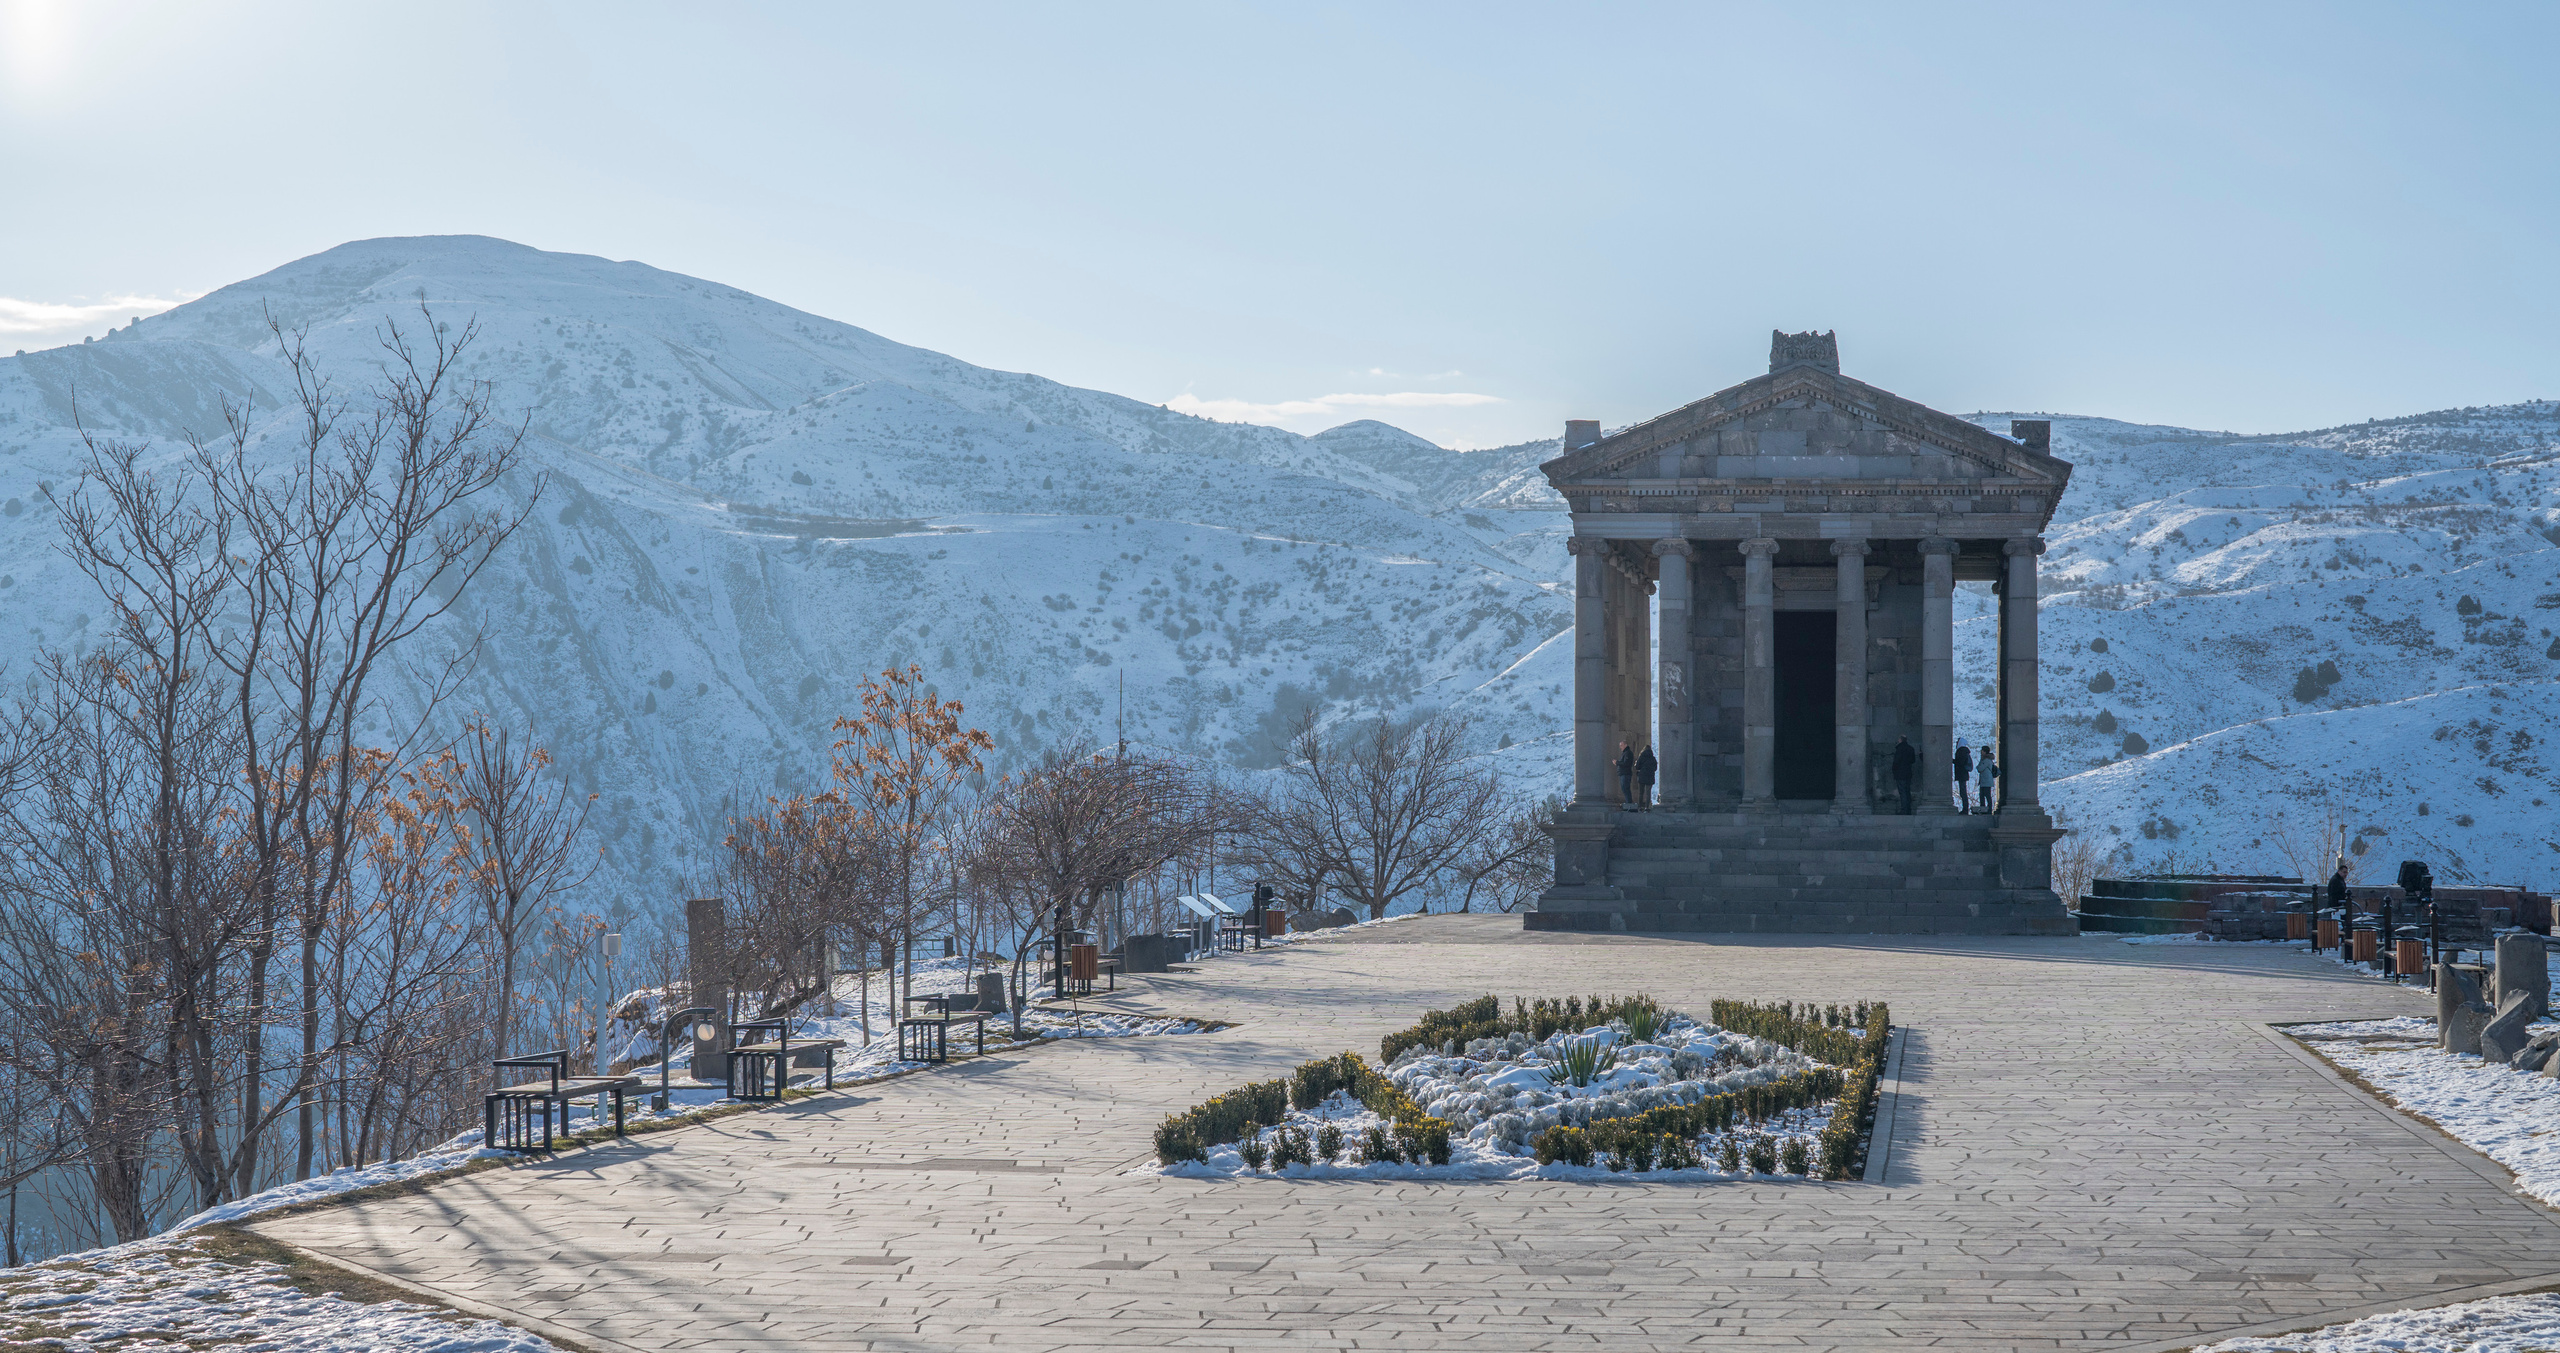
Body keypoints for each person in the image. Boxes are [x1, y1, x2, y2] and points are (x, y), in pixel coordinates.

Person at [1890, 735, 1916, 815]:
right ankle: (1908, 810)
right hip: (1908, 773)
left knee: (1902, 792)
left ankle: (1904, 810)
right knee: (1907, 791)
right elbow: (1913, 760)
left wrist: (1894, 770)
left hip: (1900, 773)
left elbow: (1896, 761)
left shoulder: (1899, 748)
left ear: (1900, 740)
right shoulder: (1911, 748)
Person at [1953, 739, 1975, 814]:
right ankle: (1965, 809)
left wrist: (1953, 761)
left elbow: (1960, 762)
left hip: (1961, 774)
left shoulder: (1961, 751)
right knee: (1963, 792)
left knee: (1963, 793)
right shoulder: (1964, 751)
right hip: (1963, 774)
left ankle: (1965, 809)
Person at [1976, 748, 2000, 814]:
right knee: (1984, 796)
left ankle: (1987, 810)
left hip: (1986, 781)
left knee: (1985, 796)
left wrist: (1981, 761)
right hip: (1985, 781)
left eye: (1982, 751)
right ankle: (1985, 809)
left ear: (1985, 752)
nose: (1981, 752)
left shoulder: (1986, 760)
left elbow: (1979, 768)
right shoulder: (1986, 760)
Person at [1634, 744, 1657, 811]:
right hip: (1650, 776)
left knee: (1641, 792)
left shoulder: (1641, 757)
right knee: (1648, 792)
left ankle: (1640, 806)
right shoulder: (1653, 758)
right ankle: (1647, 807)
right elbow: (1655, 768)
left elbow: (1637, 766)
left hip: (1642, 776)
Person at [1615, 741, 1635, 809]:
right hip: (1623, 773)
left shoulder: (1628, 753)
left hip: (1625, 774)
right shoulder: (1625, 753)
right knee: (1624, 789)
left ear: (1625, 745)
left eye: (1621, 745)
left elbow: (1626, 763)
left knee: (1625, 788)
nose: (1620, 747)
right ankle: (1628, 803)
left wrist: (1617, 762)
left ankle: (1629, 804)